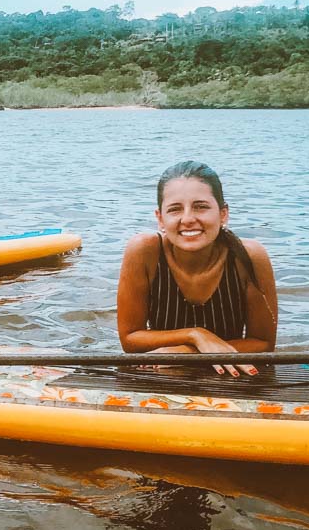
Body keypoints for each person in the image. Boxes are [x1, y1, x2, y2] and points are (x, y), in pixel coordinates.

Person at [116, 161, 277, 377]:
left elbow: (264, 344)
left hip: (230, 376)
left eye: (201, 206)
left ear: (223, 214)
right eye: (175, 209)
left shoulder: (249, 257)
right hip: (164, 373)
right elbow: (130, 339)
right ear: (160, 219)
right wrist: (195, 335)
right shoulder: (144, 251)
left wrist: (188, 352)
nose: (188, 219)